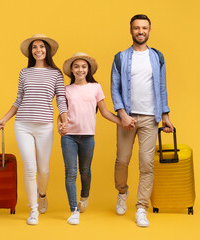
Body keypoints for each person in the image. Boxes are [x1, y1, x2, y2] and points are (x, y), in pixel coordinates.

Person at [0, 33, 68, 225]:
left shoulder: (56, 74)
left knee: (43, 169)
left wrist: (64, 120)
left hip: (45, 127)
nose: (38, 50)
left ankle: (42, 194)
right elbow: (18, 100)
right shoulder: (24, 73)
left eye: (41, 47)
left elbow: (61, 99)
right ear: (31, 52)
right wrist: (4, 120)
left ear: (47, 50)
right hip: (23, 125)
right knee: (30, 168)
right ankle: (33, 209)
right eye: (34, 47)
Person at [110, 14, 174, 227]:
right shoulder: (120, 57)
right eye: (136, 28)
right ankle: (122, 192)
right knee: (122, 161)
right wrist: (122, 114)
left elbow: (162, 87)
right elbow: (115, 88)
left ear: (149, 30)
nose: (140, 31)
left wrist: (165, 116)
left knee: (147, 164)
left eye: (144, 28)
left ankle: (140, 208)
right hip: (127, 118)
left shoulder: (157, 56)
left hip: (150, 117)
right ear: (131, 30)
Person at [58, 52, 121, 225]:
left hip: (88, 137)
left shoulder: (95, 87)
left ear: (88, 69)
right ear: (71, 70)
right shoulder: (66, 90)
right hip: (69, 137)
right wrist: (59, 125)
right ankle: (74, 210)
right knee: (70, 173)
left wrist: (122, 122)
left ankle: (84, 196)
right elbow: (61, 114)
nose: (80, 69)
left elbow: (105, 112)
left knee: (85, 170)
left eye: (83, 66)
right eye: (76, 66)